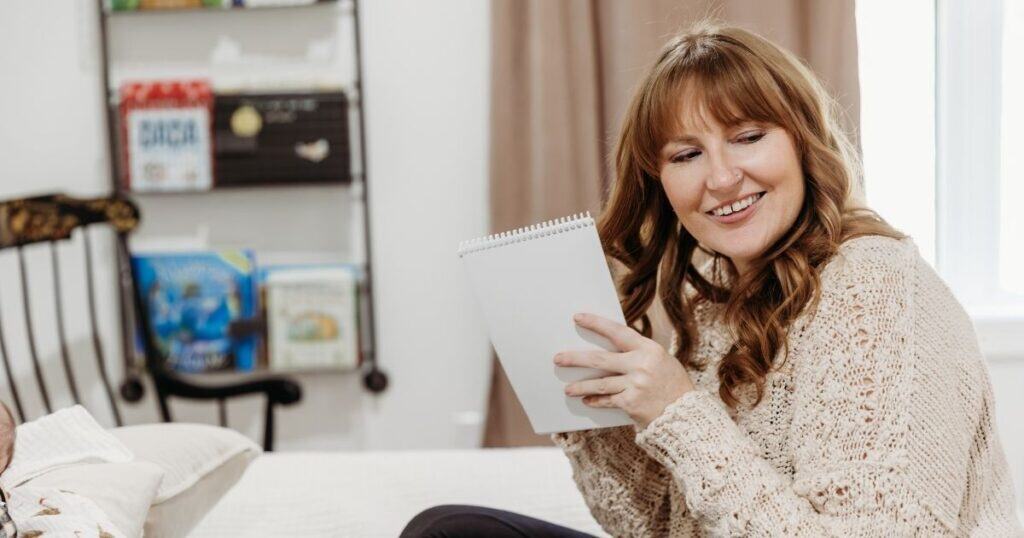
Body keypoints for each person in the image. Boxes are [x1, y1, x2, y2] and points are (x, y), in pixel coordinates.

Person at [401, 19, 1024, 537]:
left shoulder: (874, 283)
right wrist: (592, 415)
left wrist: (677, 410)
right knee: (453, 530)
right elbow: (660, 527)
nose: (721, 178)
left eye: (748, 137)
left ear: (802, 144)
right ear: (661, 182)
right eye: (686, 154)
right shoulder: (716, 300)